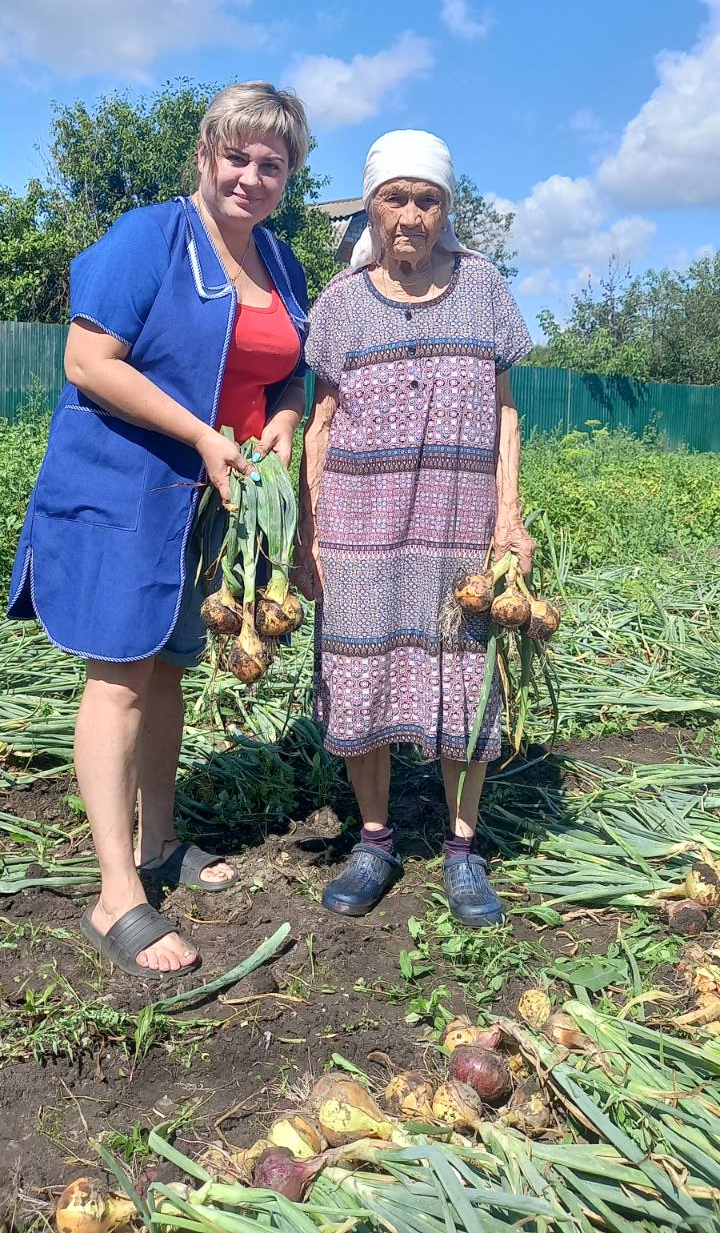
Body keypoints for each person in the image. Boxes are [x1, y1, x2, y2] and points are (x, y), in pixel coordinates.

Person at [8, 82, 311, 979]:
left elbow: (289, 369)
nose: (251, 176)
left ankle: (160, 839)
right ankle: (115, 894)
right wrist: (200, 436)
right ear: (206, 153)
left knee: (170, 669)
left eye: (273, 163)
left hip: (214, 501)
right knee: (121, 680)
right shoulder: (153, 236)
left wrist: (285, 422)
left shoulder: (283, 264)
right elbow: (87, 361)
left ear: (290, 175)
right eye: (237, 155)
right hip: (127, 489)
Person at [294, 129, 533, 927]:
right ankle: (375, 840)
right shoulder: (339, 304)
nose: (410, 214)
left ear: (445, 209)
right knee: (361, 671)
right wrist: (307, 534)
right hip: (361, 532)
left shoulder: (486, 289)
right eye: (395, 198)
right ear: (371, 206)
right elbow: (319, 424)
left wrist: (510, 518)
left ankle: (463, 852)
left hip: (463, 530)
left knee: (469, 681)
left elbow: (505, 414)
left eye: (426, 199)